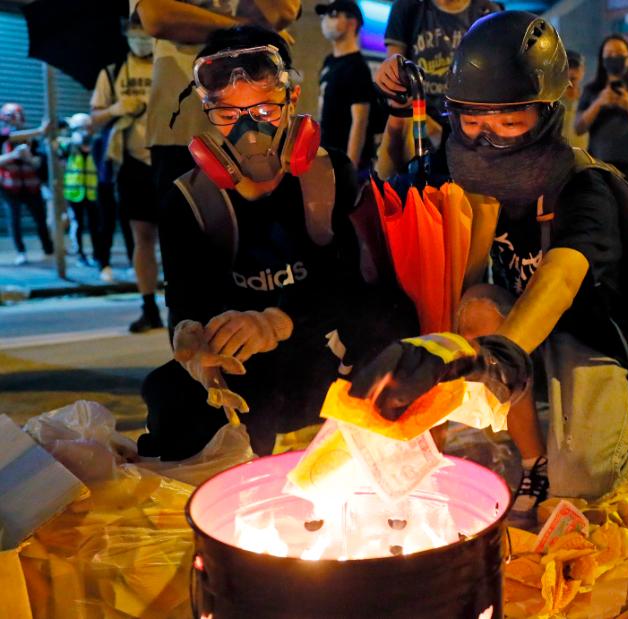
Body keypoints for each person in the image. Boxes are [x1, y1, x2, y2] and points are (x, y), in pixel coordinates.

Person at [351, 12, 628, 520]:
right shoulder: (456, 163)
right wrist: (393, 112)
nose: (485, 139)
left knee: (578, 491)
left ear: (546, 110)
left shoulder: (583, 185)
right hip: (512, 334)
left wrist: (498, 354)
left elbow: (561, 277)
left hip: (589, 336)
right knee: (475, 306)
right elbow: (389, 195)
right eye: (471, 120)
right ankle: (533, 456)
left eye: (508, 122)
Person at [137, 27, 416, 460]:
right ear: (206, 111)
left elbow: (357, 290)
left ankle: (374, 454)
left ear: (293, 99)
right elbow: (187, 300)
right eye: (229, 115)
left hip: (324, 360)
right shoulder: (188, 200)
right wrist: (194, 345)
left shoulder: (330, 175)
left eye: (265, 108)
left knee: (396, 331)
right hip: (245, 372)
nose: (249, 130)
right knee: (169, 396)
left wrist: (275, 321)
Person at [128, 0, 300, 333]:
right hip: (179, 129)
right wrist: (241, 29)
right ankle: (201, 366)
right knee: (189, 281)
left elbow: (281, 12)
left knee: (276, 263)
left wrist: (202, 22)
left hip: (263, 129)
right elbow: (156, 16)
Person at [376, 0, 500, 173]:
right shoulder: (408, 8)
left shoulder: (488, 12)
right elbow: (395, 61)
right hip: (420, 119)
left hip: (468, 129)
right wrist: (392, 71)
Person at [91, 23, 155, 285]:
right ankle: (148, 304)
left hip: (167, 158)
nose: (141, 39)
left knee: (179, 237)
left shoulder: (170, 67)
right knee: (141, 235)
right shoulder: (112, 72)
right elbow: (94, 119)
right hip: (132, 163)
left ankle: (181, 304)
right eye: (135, 33)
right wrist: (116, 109)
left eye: (146, 33)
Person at [574, 35, 628, 205]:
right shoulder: (592, 90)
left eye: (619, 53)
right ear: (602, 59)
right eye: (609, 53)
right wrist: (599, 102)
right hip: (600, 165)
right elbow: (579, 127)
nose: (614, 57)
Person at [317, 0, 380, 175]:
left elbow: (360, 121)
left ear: (352, 23)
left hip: (345, 163)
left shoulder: (357, 67)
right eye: (326, 16)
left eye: (334, 15)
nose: (326, 21)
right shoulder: (329, 62)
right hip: (326, 157)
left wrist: (350, 168)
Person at [0, 103, 53, 266]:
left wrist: (29, 158)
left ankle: (48, 250)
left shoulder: (31, 140)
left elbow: (40, 163)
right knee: (14, 221)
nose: (14, 122)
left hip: (31, 185)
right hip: (9, 186)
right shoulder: (2, 137)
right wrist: (13, 155)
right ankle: (20, 252)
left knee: (40, 219)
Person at [61, 113, 102, 270]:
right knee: (77, 225)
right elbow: (54, 148)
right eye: (82, 128)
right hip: (75, 193)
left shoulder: (96, 145)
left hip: (92, 192)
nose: (86, 132)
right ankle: (80, 255)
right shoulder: (68, 146)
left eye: (88, 128)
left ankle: (97, 256)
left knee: (95, 225)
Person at [561, 49, 588, 150]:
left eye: (576, 67)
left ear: (583, 70)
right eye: (569, 66)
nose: (573, 72)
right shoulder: (553, 102)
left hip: (586, 158)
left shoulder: (588, 100)